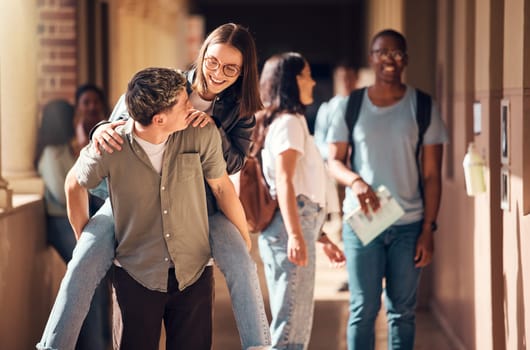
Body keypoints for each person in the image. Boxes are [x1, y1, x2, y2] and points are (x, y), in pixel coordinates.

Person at [37, 23, 271, 350]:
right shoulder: (169, 84)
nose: (218, 73)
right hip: (131, 198)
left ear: (244, 72)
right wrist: (100, 131)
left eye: (231, 68)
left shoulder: (239, 110)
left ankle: (259, 345)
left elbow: (230, 168)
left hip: (201, 204)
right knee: (84, 256)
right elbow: (125, 117)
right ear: (202, 55)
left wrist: (213, 128)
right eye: (213, 62)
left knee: (242, 261)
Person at [64, 66, 248, 350]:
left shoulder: (200, 133)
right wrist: (83, 235)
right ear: (160, 118)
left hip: (193, 273)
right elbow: (74, 183)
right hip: (135, 274)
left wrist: (243, 245)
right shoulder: (112, 144)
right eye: (184, 104)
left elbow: (223, 188)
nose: (192, 106)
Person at [326, 29, 448, 350]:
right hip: (364, 223)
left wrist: (428, 229)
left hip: (409, 225)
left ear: (405, 59)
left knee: (402, 313)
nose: (389, 60)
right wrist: (356, 180)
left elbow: (433, 175)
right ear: (371, 58)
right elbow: (334, 161)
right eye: (381, 52)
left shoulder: (422, 107)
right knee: (363, 310)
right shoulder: (350, 106)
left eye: (396, 53)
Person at [256, 52, 346, 349]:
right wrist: (296, 234)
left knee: (292, 322)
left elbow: (301, 188)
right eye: (306, 74)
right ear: (292, 81)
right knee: (291, 328)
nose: (311, 81)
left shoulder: (287, 122)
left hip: (293, 226)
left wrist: (318, 236)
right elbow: (285, 181)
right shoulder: (290, 123)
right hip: (289, 229)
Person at [35, 99, 110, 350]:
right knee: (89, 279)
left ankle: (100, 341)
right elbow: (61, 192)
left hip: (72, 220)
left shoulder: (66, 150)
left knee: (97, 282)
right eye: (73, 117)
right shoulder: (50, 154)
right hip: (59, 222)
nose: (77, 121)